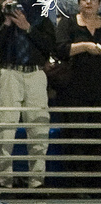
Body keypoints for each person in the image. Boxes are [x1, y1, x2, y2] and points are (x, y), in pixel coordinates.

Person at [0, 0, 54, 192]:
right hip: (9, 73)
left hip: (35, 74)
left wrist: (28, 28)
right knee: (5, 130)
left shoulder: (41, 9)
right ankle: (3, 182)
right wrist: (6, 24)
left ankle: (37, 182)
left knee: (39, 129)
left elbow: (50, 45)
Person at [54, 0, 101, 193]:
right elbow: (60, 49)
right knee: (75, 138)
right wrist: (85, 46)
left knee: (97, 140)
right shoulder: (68, 22)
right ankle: (76, 187)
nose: (88, 2)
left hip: (98, 91)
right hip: (73, 91)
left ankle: (96, 186)